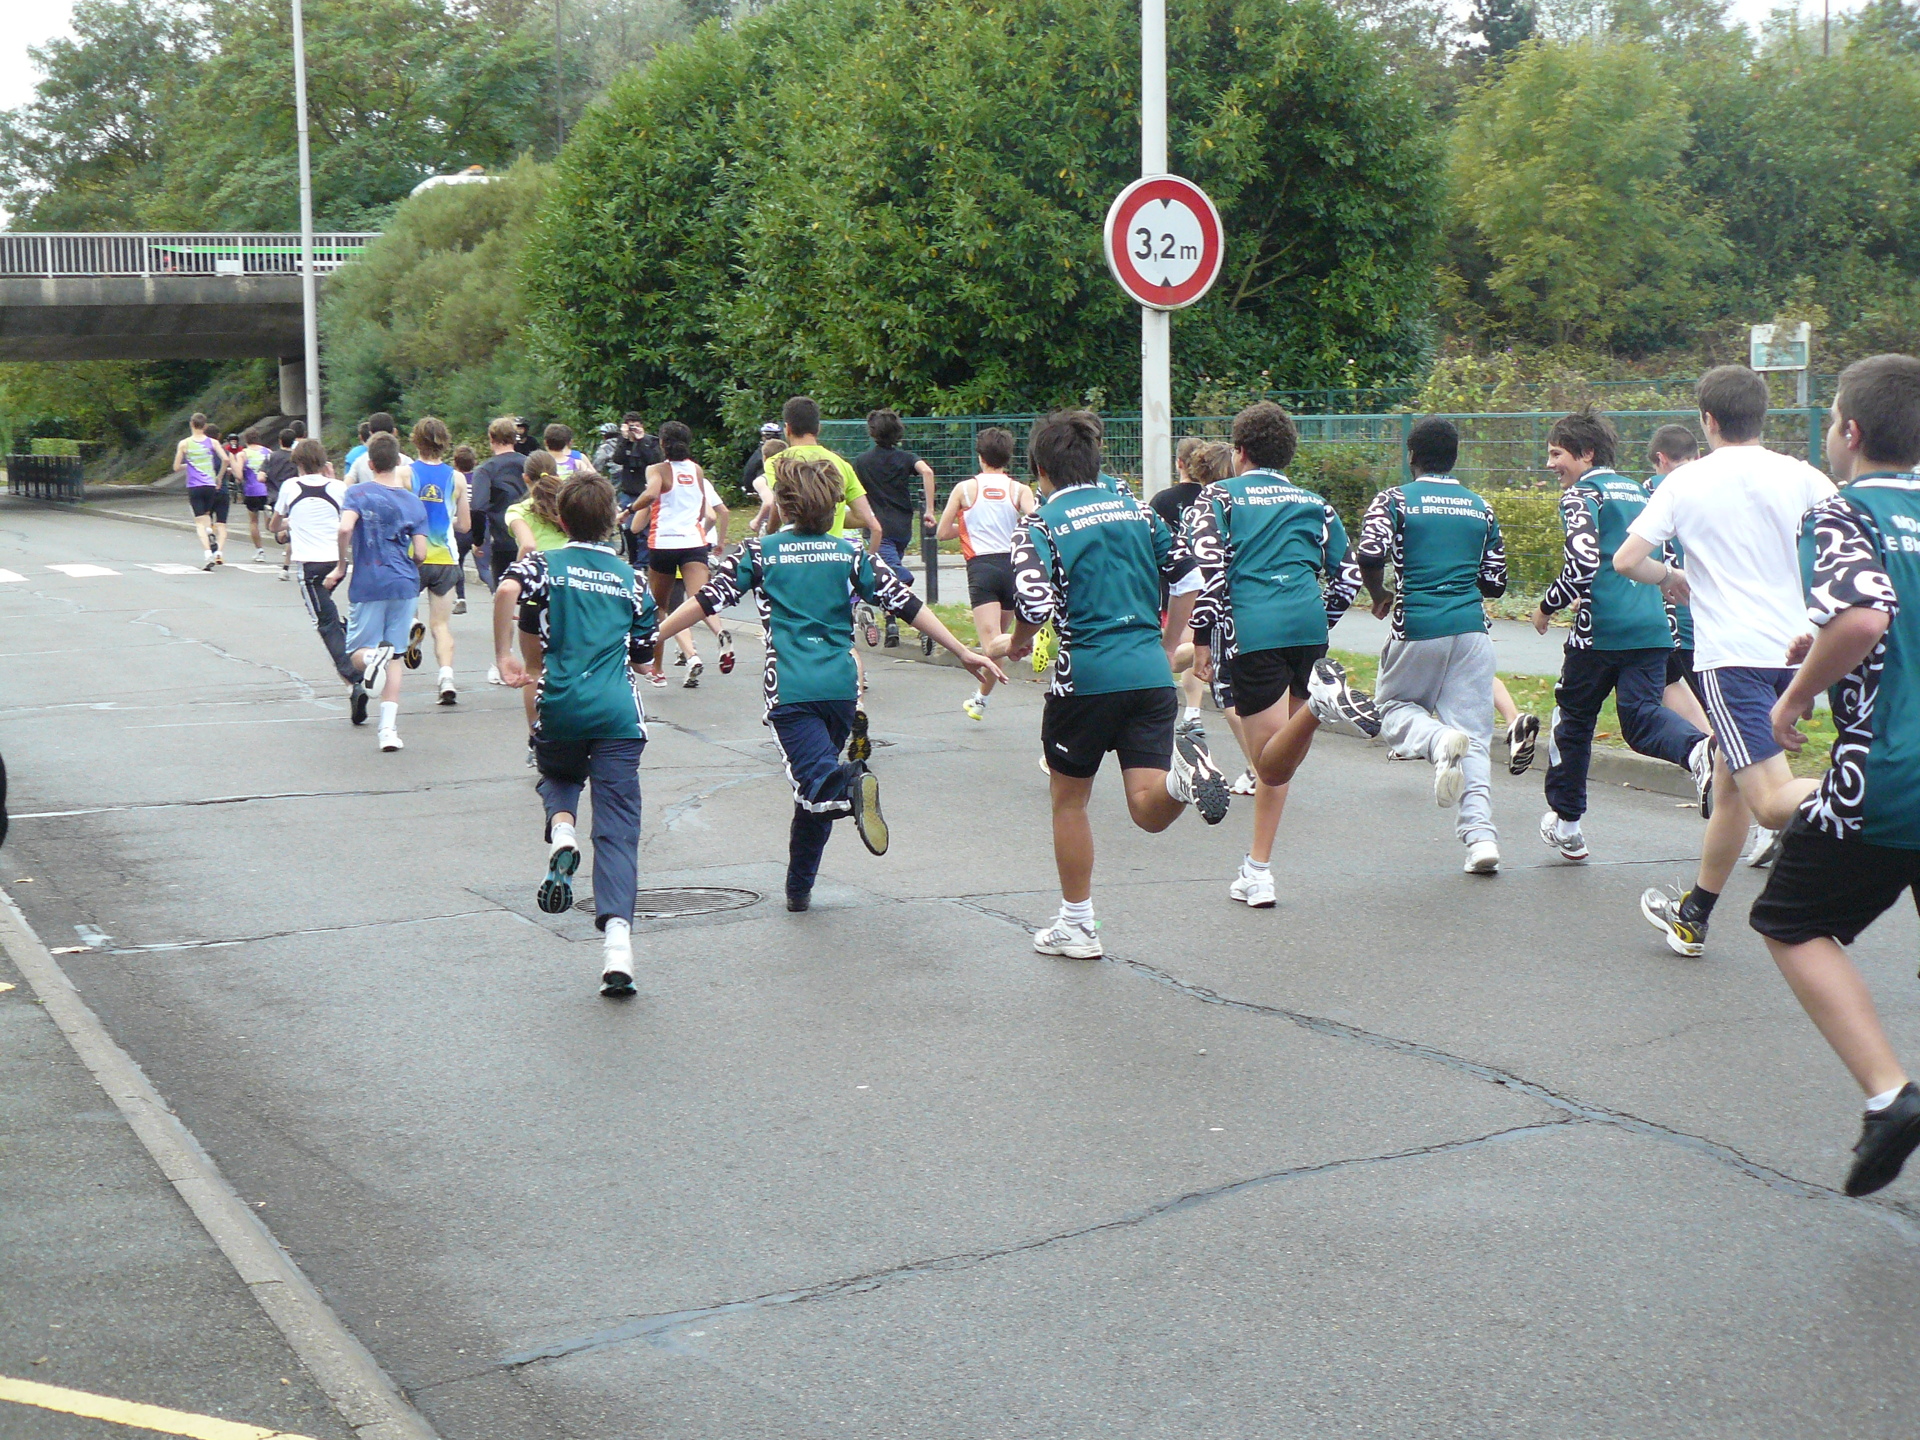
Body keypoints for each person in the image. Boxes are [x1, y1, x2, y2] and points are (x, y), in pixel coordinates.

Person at [655, 454, 1002, 912]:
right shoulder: (851, 553)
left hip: (792, 692)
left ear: (781, 502)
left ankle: (852, 783)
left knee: (819, 784)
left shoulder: (758, 553)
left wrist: (651, 636)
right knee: (810, 795)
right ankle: (799, 888)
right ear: (835, 504)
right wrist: (961, 651)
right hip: (842, 689)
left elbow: (704, 601)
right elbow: (905, 602)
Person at [1749, 353, 1920, 1196]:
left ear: (1850, 432)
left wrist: (1796, 695)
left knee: (1788, 918)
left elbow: (1862, 615)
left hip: (1890, 775)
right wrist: (1823, 650)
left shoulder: (1843, 511)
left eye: (1829, 424)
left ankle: (1891, 1098)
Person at [1616, 365, 1837, 955]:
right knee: (1730, 780)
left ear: (1707, 420)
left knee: (1767, 801)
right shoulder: (1803, 474)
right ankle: (1694, 914)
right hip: (1798, 654)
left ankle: (1881, 801)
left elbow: (1626, 559)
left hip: (1731, 659)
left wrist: (1671, 576)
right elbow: (1842, 544)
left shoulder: (1685, 482)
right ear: (1763, 417)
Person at [1004, 410, 1228, 959]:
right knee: (1147, 806)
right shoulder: (1139, 513)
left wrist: (1015, 643)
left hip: (1084, 679)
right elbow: (1188, 579)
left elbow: (1033, 605)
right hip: (1149, 677)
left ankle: (1078, 925)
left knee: (1069, 801)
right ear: (1096, 461)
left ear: (1039, 468)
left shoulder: (1039, 525)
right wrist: (1165, 641)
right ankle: (1180, 780)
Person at [1188, 402, 1362, 905]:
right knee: (1277, 758)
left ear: (1239, 451)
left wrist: (1203, 637)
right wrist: (1320, 616)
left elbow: (1211, 574)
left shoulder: (1216, 497)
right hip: (1308, 630)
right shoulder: (1316, 503)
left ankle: (1319, 706)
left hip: (1253, 630)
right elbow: (1348, 577)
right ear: (1287, 454)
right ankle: (1257, 869)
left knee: (1267, 763)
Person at [496, 474, 659, 996]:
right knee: (617, 831)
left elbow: (506, 589)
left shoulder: (545, 565)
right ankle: (618, 947)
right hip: (617, 715)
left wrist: (506, 655)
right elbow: (642, 651)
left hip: (560, 704)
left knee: (556, 772)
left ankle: (562, 832)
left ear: (560, 521)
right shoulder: (630, 579)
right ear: (612, 520)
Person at [1534, 407, 1713, 865]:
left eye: (1557, 454)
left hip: (1600, 632)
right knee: (1640, 718)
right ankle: (1699, 752)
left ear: (1586, 452)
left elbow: (1580, 562)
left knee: (1573, 722)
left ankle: (1569, 825)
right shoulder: (1641, 490)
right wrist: (1667, 626)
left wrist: (1547, 605)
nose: (1551, 464)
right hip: (1652, 626)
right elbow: (1667, 560)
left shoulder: (1582, 494)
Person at [1351, 417, 1510, 874]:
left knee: (1394, 709)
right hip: (1472, 631)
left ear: (1412, 456)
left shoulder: (1395, 500)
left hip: (1418, 625)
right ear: (1455, 457)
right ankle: (1480, 839)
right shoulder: (1481, 507)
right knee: (1476, 737)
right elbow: (1495, 582)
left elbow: (1370, 551)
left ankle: (1439, 741)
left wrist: (1380, 594)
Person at [327, 433, 428, 753]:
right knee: (396, 656)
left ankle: (373, 657)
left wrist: (341, 564)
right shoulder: (413, 502)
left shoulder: (356, 492)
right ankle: (388, 731)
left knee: (357, 653)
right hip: (404, 584)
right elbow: (422, 553)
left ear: (369, 465)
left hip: (369, 582)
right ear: (399, 462)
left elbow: (344, 528)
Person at [935, 426, 1034, 721]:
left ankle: (1032, 639)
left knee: (993, 645)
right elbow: (1036, 522)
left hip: (982, 569)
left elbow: (942, 532)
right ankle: (980, 700)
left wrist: (968, 527)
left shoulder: (965, 489)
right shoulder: (1020, 489)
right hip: (1013, 567)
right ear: (1008, 457)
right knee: (999, 645)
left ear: (980, 457)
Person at [625, 420, 734, 688]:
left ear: (662, 443)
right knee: (702, 599)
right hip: (693, 541)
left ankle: (658, 670)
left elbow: (650, 495)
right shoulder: (696, 470)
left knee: (660, 609)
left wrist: (626, 511)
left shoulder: (657, 469)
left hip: (663, 545)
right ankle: (720, 631)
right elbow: (700, 510)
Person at [272, 438, 358, 702]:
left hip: (310, 567)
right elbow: (346, 518)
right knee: (329, 611)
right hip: (336, 562)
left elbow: (274, 526)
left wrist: (288, 525)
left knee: (325, 623)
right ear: (323, 463)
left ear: (298, 463)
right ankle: (356, 660)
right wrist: (333, 480)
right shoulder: (337, 487)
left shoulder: (290, 487)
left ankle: (354, 680)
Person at [853, 408, 940, 643]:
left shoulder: (862, 462)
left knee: (893, 576)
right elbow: (928, 472)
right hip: (903, 527)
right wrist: (930, 510)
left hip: (877, 528)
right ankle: (891, 625)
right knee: (887, 578)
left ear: (872, 433)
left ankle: (924, 626)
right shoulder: (906, 458)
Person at [408, 417, 471, 706]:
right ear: (445, 441)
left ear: (415, 441)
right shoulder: (456, 478)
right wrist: (445, 518)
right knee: (442, 625)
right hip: (446, 557)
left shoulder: (404, 474)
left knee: (406, 613)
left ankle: (411, 625)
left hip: (413, 556)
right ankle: (446, 677)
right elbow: (465, 525)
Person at [172, 412, 230, 569]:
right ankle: (210, 531)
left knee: (199, 522)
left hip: (194, 486)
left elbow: (176, 467)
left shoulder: (184, 444)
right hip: (210, 485)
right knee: (206, 516)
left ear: (191, 424)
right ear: (205, 426)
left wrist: (189, 464)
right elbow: (225, 459)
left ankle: (207, 553)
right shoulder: (212, 442)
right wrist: (219, 477)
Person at [609, 412, 664, 567]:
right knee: (628, 529)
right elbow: (617, 459)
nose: (633, 429)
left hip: (645, 491)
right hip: (629, 491)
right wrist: (626, 440)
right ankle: (634, 559)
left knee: (645, 530)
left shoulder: (651, 441)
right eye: (630, 425)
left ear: (642, 426)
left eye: (636, 425)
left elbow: (654, 460)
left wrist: (640, 441)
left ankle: (643, 563)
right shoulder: (623, 442)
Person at [265, 426, 301, 579]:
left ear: (279, 441)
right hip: (294, 496)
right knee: (291, 532)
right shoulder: (296, 458)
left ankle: (283, 534)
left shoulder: (270, 457)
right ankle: (285, 567)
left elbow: (260, 476)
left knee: (278, 530)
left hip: (275, 497)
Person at [451, 443, 480, 610]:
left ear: (455, 462)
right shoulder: (479, 479)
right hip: (477, 527)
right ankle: (495, 591)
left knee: (458, 562)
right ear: (474, 462)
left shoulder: (454, 480)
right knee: (483, 567)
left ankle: (461, 597)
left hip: (460, 527)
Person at [346, 413, 409, 487]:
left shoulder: (360, 461)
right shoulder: (406, 461)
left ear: (370, 433)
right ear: (394, 432)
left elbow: (347, 485)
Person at [237, 432, 274, 560]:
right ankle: (284, 540)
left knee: (253, 522)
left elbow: (239, 476)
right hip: (268, 490)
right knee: (271, 523)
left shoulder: (243, 454)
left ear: (246, 440)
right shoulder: (268, 452)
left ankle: (260, 551)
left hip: (252, 491)